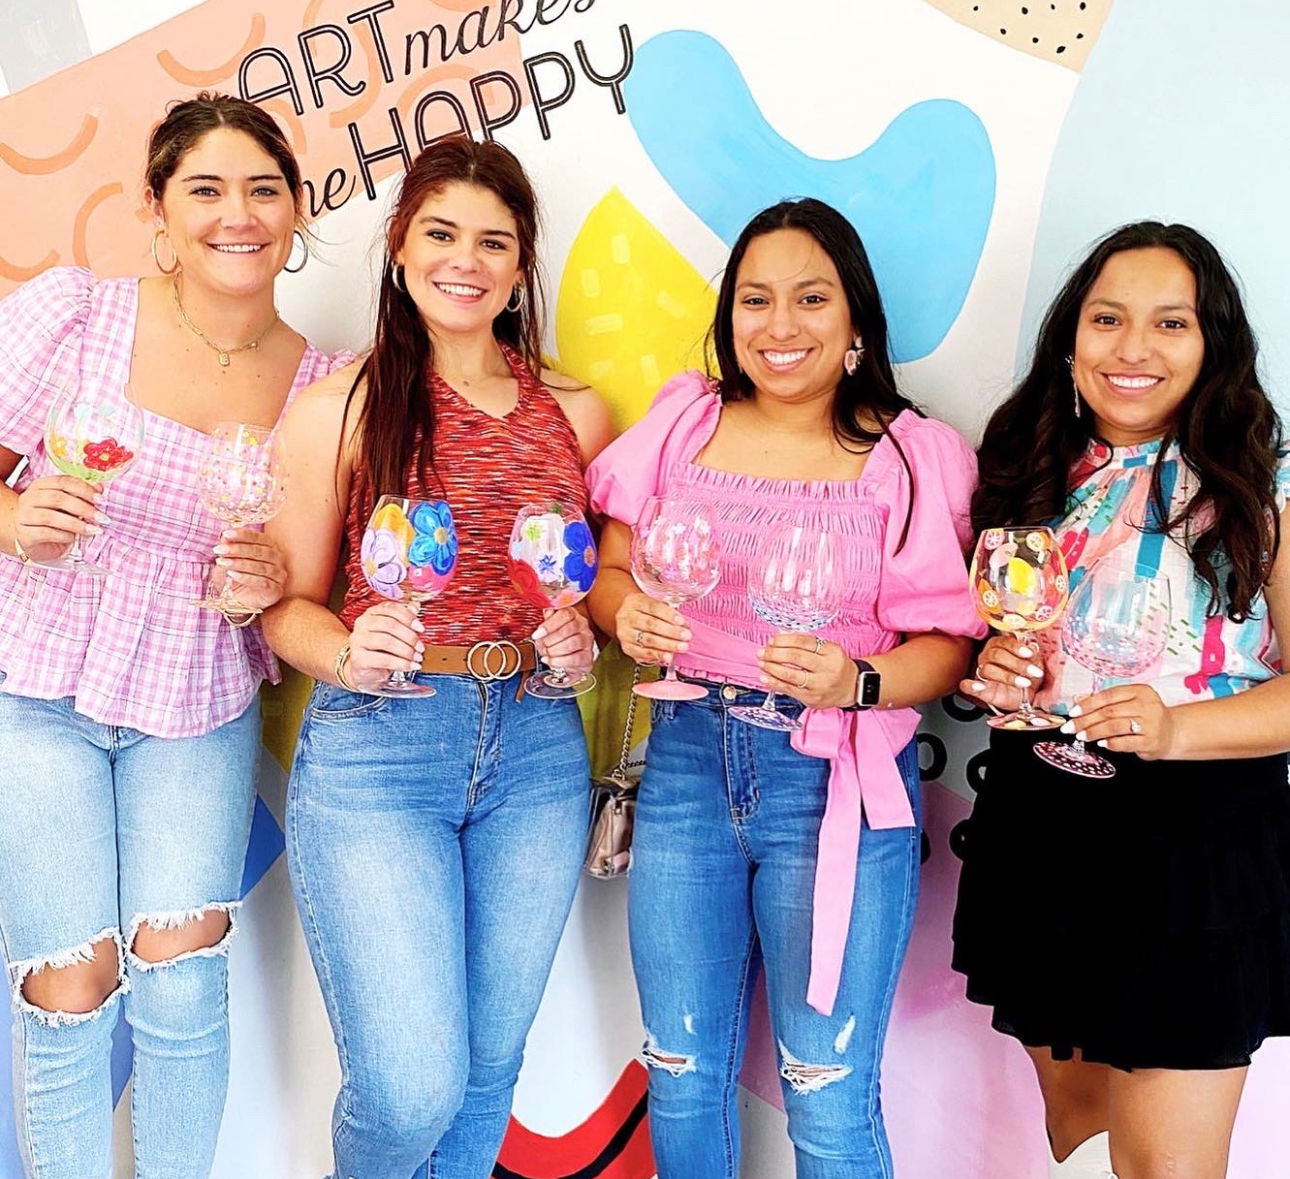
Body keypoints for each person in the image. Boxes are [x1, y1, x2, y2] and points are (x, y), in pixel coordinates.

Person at [584, 197, 984, 1176]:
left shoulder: (909, 456)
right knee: (679, 1069)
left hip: (830, 783)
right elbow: (608, 566)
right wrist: (620, 610)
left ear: (855, 327)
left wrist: (862, 678)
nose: (780, 324)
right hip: (684, 768)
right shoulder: (686, 420)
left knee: (827, 1086)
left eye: (811, 298)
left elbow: (950, 642)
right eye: (755, 299)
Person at [0, 93, 348, 1178]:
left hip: (198, 699)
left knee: (185, 977)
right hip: (37, 681)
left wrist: (271, 576)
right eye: (204, 188)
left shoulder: (325, 384)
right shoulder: (73, 315)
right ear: (156, 207)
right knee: (69, 980)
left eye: (262, 189)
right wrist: (11, 517)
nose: (235, 213)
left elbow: (305, 574)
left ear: (297, 212)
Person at [259, 135, 611, 1179]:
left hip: (539, 750)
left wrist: (578, 641)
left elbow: (592, 592)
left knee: (486, 1076)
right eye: (441, 233)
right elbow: (282, 605)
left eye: (493, 241)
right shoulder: (341, 409)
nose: (466, 259)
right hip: (381, 747)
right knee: (412, 1083)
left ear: (520, 263)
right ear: (401, 246)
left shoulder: (574, 413)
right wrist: (348, 646)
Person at [953, 222, 1290, 1179]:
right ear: (1071, 340)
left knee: (1167, 1167)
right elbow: (1005, 640)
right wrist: (1002, 671)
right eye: (1107, 319)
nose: (1132, 348)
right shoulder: (1029, 467)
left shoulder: (1268, 483)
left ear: (1213, 344)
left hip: (1199, 845)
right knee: (1081, 1132)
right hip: (1043, 822)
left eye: (1169, 323)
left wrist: (1177, 727)